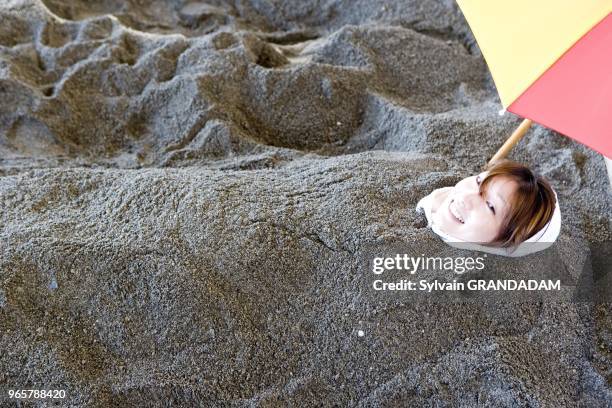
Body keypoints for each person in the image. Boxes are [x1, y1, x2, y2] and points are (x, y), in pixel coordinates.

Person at [416, 160, 561, 257]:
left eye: (490, 205)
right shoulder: (438, 199)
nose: (466, 197)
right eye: (479, 181)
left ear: (510, 239)